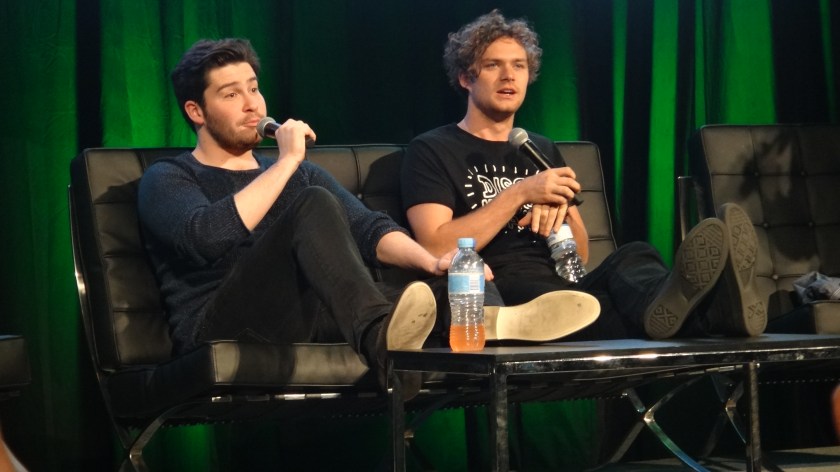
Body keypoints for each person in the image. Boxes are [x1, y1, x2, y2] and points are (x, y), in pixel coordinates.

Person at [137, 38, 597, 400]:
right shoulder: (169, 177)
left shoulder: (298, 173)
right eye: (231, 94)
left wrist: (433, 263)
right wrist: (286, 162)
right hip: (221, 326)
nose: (252, 105)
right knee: (314, 202)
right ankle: (384, 342)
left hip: (305, 317)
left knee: (448, 282)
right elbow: (206, 237)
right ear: (196, 111)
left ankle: (488, 322)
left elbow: (369, 229)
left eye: (254, 88)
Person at [401, 10, 768, 340]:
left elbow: (581, 250)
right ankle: (717, 312)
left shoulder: (540, 148)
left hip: (565, 283)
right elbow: (434, 246)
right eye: (493, 65)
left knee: (635, 255)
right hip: (506, 294)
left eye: (519, 65)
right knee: (605, 310)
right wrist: (520, 193)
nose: (509, 75)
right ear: (466, 78)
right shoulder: (432, 149)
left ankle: (684, 305)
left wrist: (563, 214)